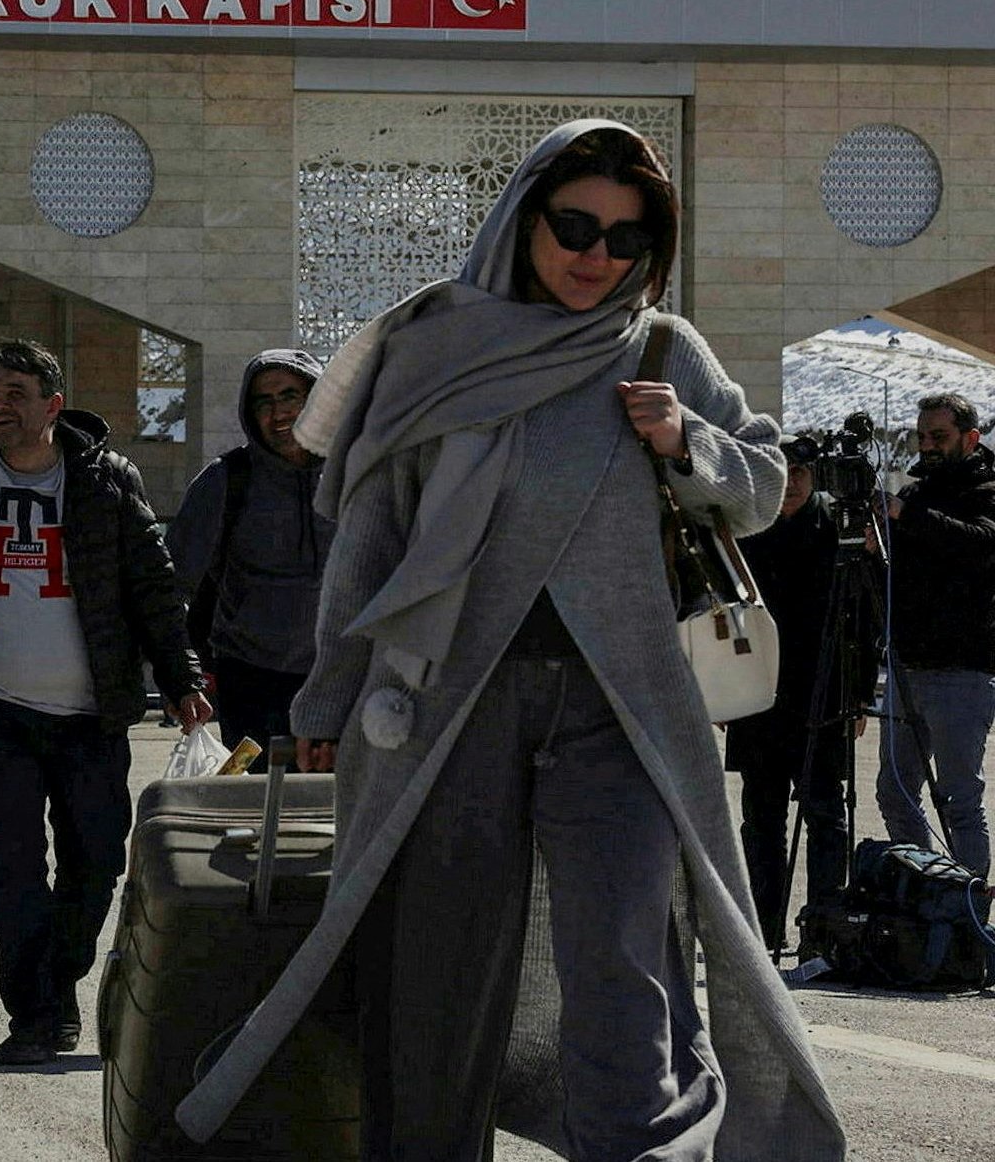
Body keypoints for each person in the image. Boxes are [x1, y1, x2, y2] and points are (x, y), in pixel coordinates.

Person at [181, 121, 844, 1159]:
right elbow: (369, 540)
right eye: (574, 226)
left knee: (625, 970)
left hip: (620, 711)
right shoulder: (434, 345)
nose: (597, 255)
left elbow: (763, 487)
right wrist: (328, 700)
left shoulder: (661, 349)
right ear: (523, 219)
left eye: (627, 239)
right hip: (444, 704)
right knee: (434, 974)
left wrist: (686, 439)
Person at [0, 340, 210, 1066]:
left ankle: (58, 982)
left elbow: (153, 586)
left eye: (15, 393)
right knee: (10, 870)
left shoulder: (106, 480)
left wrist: (182, 678)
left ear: (53, 405)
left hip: (91, 713)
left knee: (96, 862)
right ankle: (34, 1014)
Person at [727, 439, 881, 954]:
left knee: (826, 814)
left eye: (800, 471)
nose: (791, 482)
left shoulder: (836, 532)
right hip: (759, 696)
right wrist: (722, 691)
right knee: (761, 819)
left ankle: (823, 932)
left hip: (824, 692)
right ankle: (763, 930)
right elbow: (720, 615)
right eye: (782, 470)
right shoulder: (746, 529)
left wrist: (859, 692)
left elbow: (863, 621)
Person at [166, 347, 333, 755]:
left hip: (342, 681)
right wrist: (178, 676)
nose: (278, 412)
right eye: (264, 402)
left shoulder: (354, 475)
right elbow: (168, 587)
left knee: (339, 797)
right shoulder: (225, 481)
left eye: (290, 396)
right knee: (256, 795)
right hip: (250, 685)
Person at [875, 392, 995, 879]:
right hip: (907, 666)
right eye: (922, 437)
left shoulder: (986, 490)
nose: (927, 446)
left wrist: (906, 517)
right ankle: (925, 893)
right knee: (894, 792)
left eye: (939, 437)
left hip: (961, 671)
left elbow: (979, 542)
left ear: (971, 438)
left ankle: (965, 910)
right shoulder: (915, 492)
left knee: (959, 801)